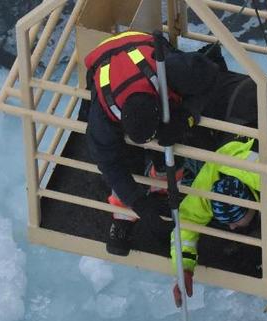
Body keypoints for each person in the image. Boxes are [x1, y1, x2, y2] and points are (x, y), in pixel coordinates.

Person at [83, 31, 221, 256]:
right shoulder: (104, 112)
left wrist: (185, 117)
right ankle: (124, 212)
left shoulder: (171, 70)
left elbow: (212, 73)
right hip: (105, 59)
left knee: (172, 146)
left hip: (141, 44)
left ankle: (163, 190)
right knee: (124, 159)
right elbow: (108, 161)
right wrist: (138, 202)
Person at [168, 137, 267, 321]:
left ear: (253, 204)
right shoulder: (210, 183)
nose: (231, 228)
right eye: (226, 222)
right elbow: (187, 220)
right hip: (238, 150)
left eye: (236, 221)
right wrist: (183, 267)